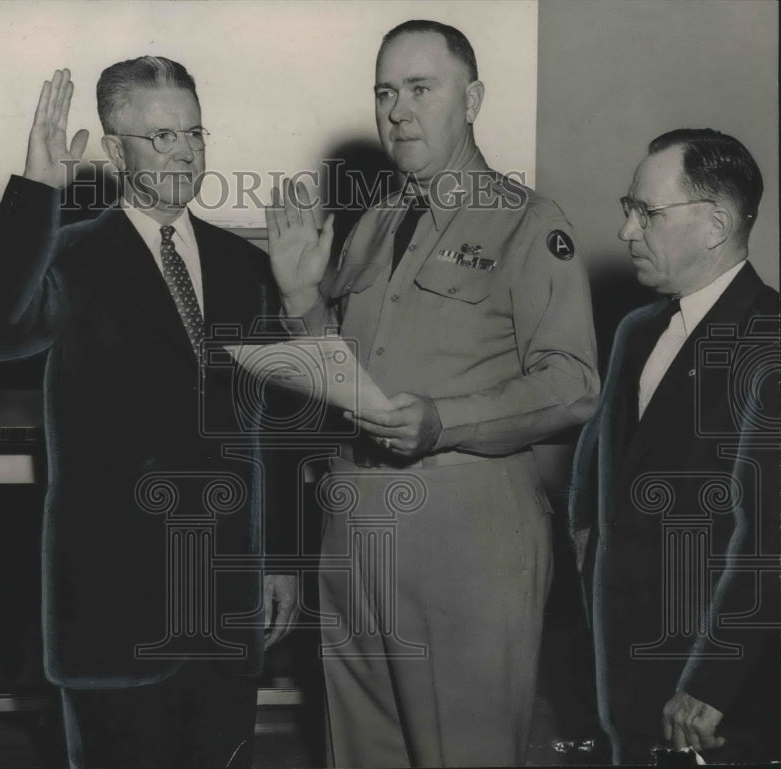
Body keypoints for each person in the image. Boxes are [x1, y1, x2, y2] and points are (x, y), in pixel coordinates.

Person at [267, 20, 599, 767]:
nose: (397, 110)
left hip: (466, 541)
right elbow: (347, 381)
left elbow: (574, 384)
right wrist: (300, 304)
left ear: (472, 98)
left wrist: (444, 421)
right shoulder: (373, 225)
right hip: (355, 533)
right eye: (385, 91)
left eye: (421, 88)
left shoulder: (528, 223)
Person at [0, 63, 298, 769]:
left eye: (194, 132)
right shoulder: (71, 256)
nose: (185, 151)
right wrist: (37, 192)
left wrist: (281, 558)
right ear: (116, 152)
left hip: (222, 611)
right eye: (162, 134)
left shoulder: (245, 265)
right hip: (112, 617)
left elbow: (270, 424)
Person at [568, 128, 780, 764]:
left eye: (647, 213)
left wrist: (712, 682)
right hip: (629, 678)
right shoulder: (637, 331)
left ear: (714, 224)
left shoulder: (769, 340)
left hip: (716, 702)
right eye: (627, 209)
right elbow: (602, 475)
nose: (628, 232)